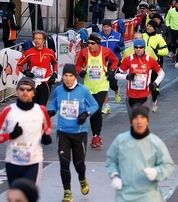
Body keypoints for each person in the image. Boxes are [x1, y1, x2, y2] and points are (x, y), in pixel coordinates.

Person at [48, 64, 99, 202]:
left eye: (71, 76)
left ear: (75, 77)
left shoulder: (83, 91)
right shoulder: (58, 90)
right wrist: (52, 110)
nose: (68, 79)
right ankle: (67, 191)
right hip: (63, 132)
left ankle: (82, 179)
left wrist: (86, 114)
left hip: (79, 133)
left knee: (78, 164)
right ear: (62, 76)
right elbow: (54, 103)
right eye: (65, 75)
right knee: (64, 163)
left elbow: (95, 105)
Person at [106, 105, 175, 202]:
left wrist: (156, 172)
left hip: (149, 196)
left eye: (142, 118)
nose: (139, 122)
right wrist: (115, 176)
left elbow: (168, 166)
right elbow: (111, 160)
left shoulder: (156, 143)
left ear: (147, 121)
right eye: (136, 118)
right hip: (124, 195)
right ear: (131, 122)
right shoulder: (121, 140)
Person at [0, 77, 52, 186]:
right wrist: (10, 135)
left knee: (28, 196)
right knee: (16, 196)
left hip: (33, 162)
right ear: (17, 91)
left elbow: (47, 127)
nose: (25, 92)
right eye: (22, 89)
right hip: (13, 161)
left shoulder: (41, 110)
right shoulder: (8, 111)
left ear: (34, 93)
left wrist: (46, 136)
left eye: (28, 90)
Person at [75, 32, 119, 148]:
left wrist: (111, 70)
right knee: (93, 112)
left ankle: (97, 136)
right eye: (88, 43)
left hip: (102, 85)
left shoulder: (106, 51)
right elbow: (78, 65)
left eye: (92, 43)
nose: (90, 45)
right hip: (89, 87)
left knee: (98, 110)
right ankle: (95, 136)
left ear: (98, 44)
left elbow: (115, 60)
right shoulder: (84, 52)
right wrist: (81, 72)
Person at [115, 39, 165, 120]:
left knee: (141, 121)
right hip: (130, 95)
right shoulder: (128, 59)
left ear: (144, 48)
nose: (138, 49)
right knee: (133, 122)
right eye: (136, 47)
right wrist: (127, 77)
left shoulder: (150, 60)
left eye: (141, 48)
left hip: (144, 95)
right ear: (134, 48)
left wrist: (155, 83)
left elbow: (161, 73)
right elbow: (116, 75)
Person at [17, 30, 58, 106]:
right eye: (35, 38)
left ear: (44, 40)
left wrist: (55, 73)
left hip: (45, 83)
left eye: (39, 39)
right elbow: (19, 65)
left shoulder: (50, 52)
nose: (37, 41)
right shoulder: (29, 52)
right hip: (32, 83)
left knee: (41, 107)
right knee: (31, 106)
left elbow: (55, 62)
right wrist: (25, 72)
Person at [99, 19, 125, 114]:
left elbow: (123, 46)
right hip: (103, 63)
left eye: (107, 26)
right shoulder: (99, 36)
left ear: (111, 27)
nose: (106, 29)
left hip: (115, 62)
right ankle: (106, 106)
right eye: (104, 27)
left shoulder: (117, 35)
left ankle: (116, 89)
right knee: (104, 85)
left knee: (112, 83)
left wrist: (119, 48)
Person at [142, 21, 168, 112]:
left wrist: (156, 51)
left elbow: (166, 51)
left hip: (154, 63)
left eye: (150, 26)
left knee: (152, 83)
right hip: (142, 64)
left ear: (154, 28)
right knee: (142, 82)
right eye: (147, 26)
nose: (148, 27)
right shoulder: (142, 36)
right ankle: (143, 103)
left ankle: (154, 100)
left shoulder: (159, 38)